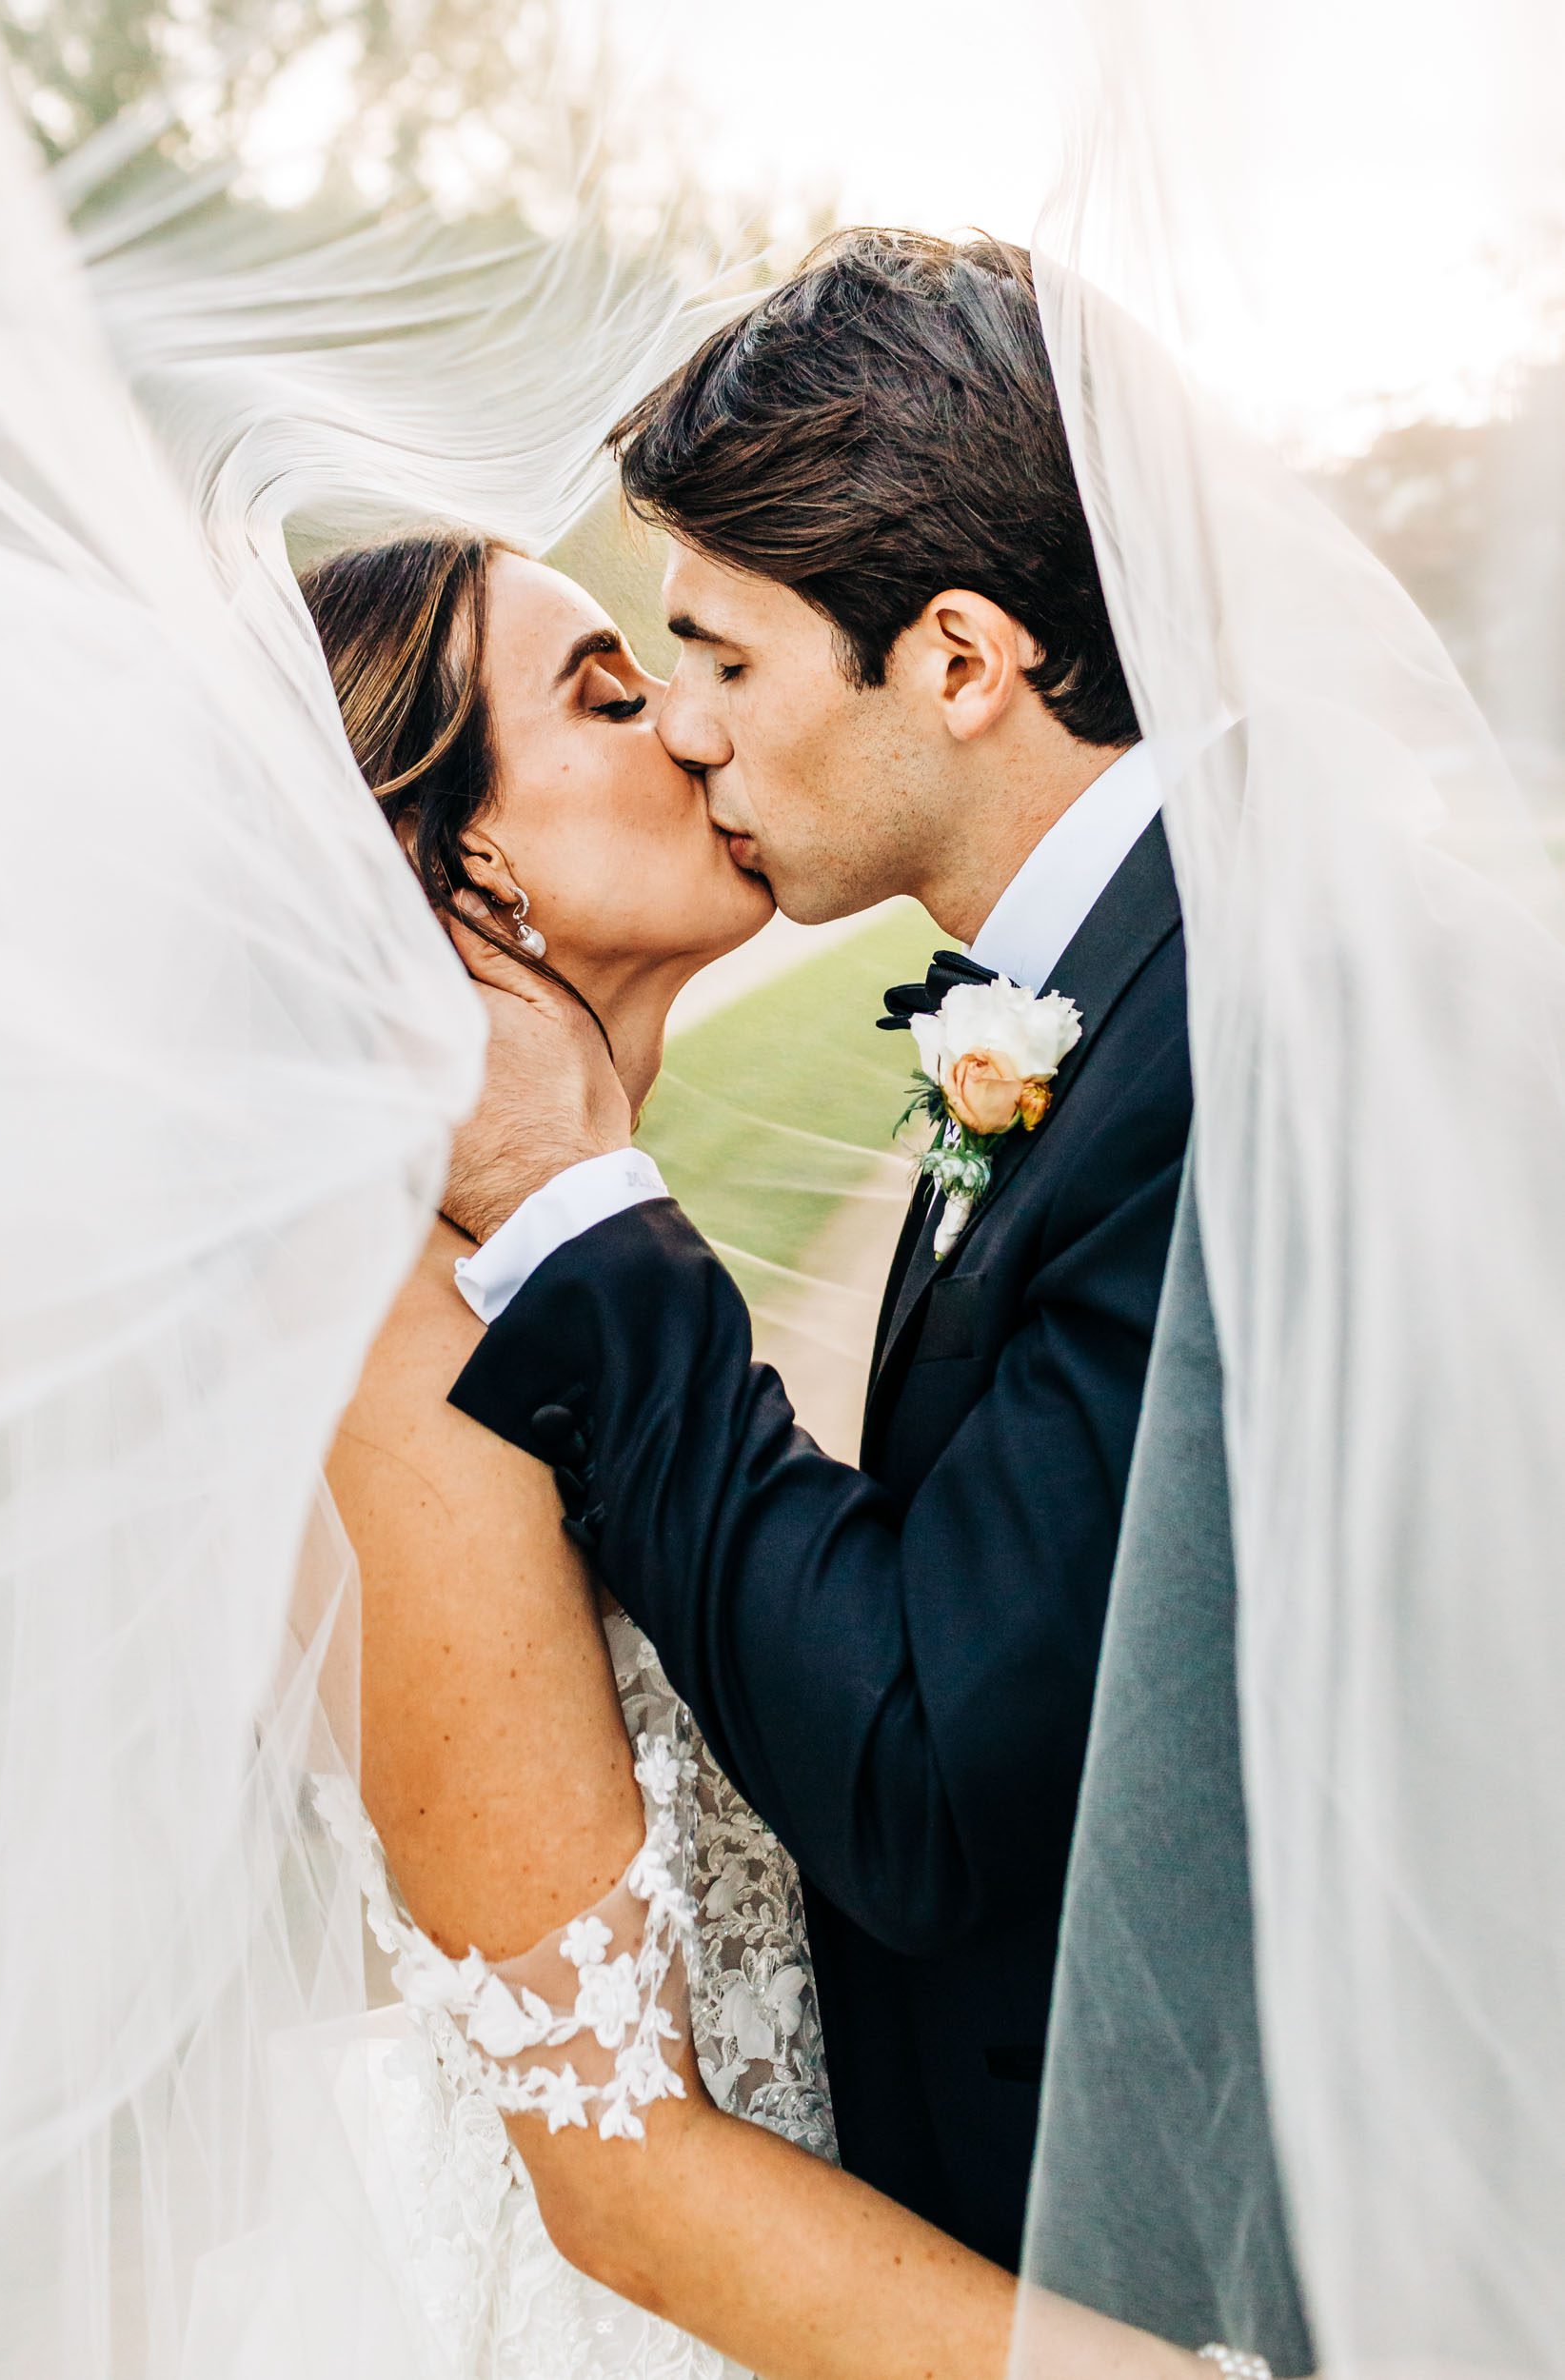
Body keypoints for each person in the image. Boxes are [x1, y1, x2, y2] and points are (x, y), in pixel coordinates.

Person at [302, 526, 1212, 2380]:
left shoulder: (568, 1257)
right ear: (457, 854)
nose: (703, 732)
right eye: (618, 694)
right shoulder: (418, 1369)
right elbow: (622, 2179)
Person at [435, 225, 1192, 2276]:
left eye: (716, 657)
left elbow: (931, 1759)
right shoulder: (1123, 997)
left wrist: (590, 1229)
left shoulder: (1201, 1045)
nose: (687, 729)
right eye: (628, 678)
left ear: (957, 660)